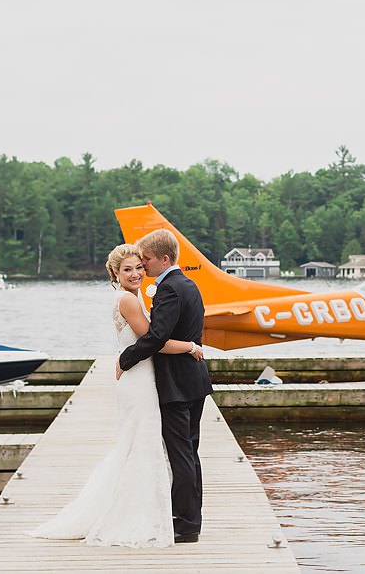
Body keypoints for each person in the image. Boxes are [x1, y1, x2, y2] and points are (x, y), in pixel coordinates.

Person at [29, 243, 202, 547]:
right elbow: (156, 340)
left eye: (139, 266)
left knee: (144, 444)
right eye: (128, 269)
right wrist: (190, 346)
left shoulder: (135, 297)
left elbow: (152, 338)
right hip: (138, 378)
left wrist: (128, 357)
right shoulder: (128, 301)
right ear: (115, 273)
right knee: (141, 443)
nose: (136, 273)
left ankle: (161, 512)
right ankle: (146, 514)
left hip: (145, 376)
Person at [118, 228, 212, 544]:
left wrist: (126, 358)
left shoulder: (170, 289)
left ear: (164, 259)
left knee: (181, 454)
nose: (142, 266)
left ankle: (185, 524)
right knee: (190, 452)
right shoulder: (189, 284)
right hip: (194, 381)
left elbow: (157, 337)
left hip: (176, 385)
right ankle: (190, 518)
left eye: (145, 260)